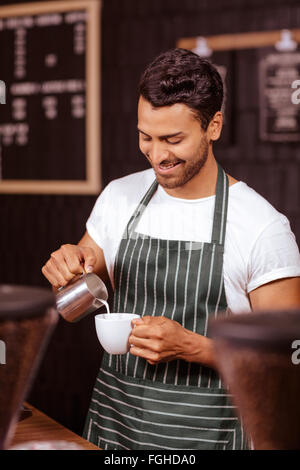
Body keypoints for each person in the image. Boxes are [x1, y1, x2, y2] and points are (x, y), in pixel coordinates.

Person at [42, 48, 300, 450]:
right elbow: (76, 300)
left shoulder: (261, 227)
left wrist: (193, 347)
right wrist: (70, 268)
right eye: (146, 137)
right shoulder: (119, 198)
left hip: (206, 436)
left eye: (173, 139)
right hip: (115, 428)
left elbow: (287, 363)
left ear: (213, 126)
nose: (157, 155)